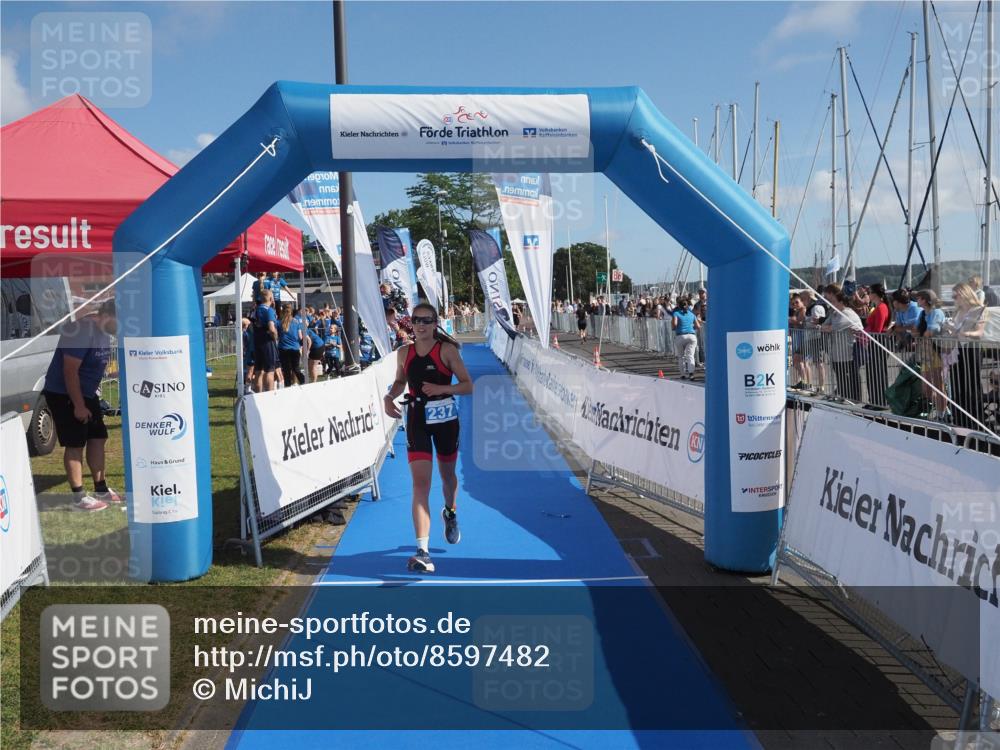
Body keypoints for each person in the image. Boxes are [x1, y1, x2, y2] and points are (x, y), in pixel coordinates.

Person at [383, 302, 474, 573]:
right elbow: (401, 381)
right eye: (416, 320)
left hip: (446, 420)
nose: (421, 325)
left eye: (426, 320)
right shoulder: (404, 353)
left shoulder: (446, 350)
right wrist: (389, 396)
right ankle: (423, 551)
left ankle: (451, 512)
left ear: (435, 324)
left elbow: (468, 385)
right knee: (420, 484)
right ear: (411, 323)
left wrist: (442, 388)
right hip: (417, 420)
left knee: (447, 476)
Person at [41, 299, 121, 511]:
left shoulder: (104, 332)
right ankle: (79, 497)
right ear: (110, 315)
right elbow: (70, 371)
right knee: (76, 442)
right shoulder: (81, 330)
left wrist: (116, 373)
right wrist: (78, 405)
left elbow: (93, 366)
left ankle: (101, 488)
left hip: (86, 393)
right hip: (64, 393)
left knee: (98, 437)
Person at [943, 282, 987, 429]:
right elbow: (955, 332)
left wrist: (966, 333)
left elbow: (980, 332)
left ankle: (976, 421)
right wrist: (950, 330)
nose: (954, 298)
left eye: (956, 295)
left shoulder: (979, 309)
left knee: (971, 385)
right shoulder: (957, 311)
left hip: (970, 349)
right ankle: (960, 420)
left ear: (965, 294)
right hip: (957, 351)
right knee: (957, 385)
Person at [821, 284, 863, 402]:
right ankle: (844, 396)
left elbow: (832, 327)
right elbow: (824, 326)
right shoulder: (834, 313)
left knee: (850, 376)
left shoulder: (848, 313)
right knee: (840, 376)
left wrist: (825, 327)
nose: (831, 304)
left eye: (833, 302)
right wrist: (824, 327)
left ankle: (854, 399)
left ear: (839, 302)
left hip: (848, 352)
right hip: (837, 353)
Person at [914, 290, 947, 418]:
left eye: (919, 298)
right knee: (926, 388)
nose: (917, 301)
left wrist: (920, 335)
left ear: (925, 300)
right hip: (925, 351)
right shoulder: (922, 314)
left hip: (936, 351)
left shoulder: (936, 312)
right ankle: (943, 407)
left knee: (938, 385)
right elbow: (916, 331)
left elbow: (931, 331)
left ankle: (942, 414)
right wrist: (920, 334)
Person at [863, 283, 891, 407]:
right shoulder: (879, 306)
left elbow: (878, 329)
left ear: (874, 294)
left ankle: (879, 401)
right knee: (872, 373)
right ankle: (874, 400)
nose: (868, 295)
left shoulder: (881, 308)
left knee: (877, 373)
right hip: (874, 341)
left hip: (877, 342)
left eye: (869, 292)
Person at [252, 289, 279, 392]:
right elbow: (271, 328)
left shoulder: (256, 309)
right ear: (271, 299)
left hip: (257, 341)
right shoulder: (269, 310)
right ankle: (269, 397)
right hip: (267, 342)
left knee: (258, 371)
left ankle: (258, 395)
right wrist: (275, 336)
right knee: (269, 371)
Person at [672, 295, 700, 379]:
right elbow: (698, 326)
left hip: (680, 336)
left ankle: (683, 374)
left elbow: (675, 325)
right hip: (691, 335)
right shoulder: (692, 314)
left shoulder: (676, 313)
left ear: (678, 305)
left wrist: (673, 327)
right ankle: (691, 373)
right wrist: (691, 328)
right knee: (690, 355)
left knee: (681, 356)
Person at [277, 304, 305, 386]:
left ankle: (288, 387)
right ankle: (304, 382)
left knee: (286, 370)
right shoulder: (296, 322)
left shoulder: (279, 322)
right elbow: (300, 337)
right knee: (296, 368)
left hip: (283, 349)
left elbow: (276, 335)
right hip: (295, 348)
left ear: (282, 311)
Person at [241, 317, 255, 393]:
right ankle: (247, 389)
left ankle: (249, 387)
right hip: (250, 354)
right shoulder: (245, 333)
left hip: (250, 353)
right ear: (244, 325)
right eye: (248, 324)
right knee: (250, 371)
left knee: (251, 371)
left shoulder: (246, 333)